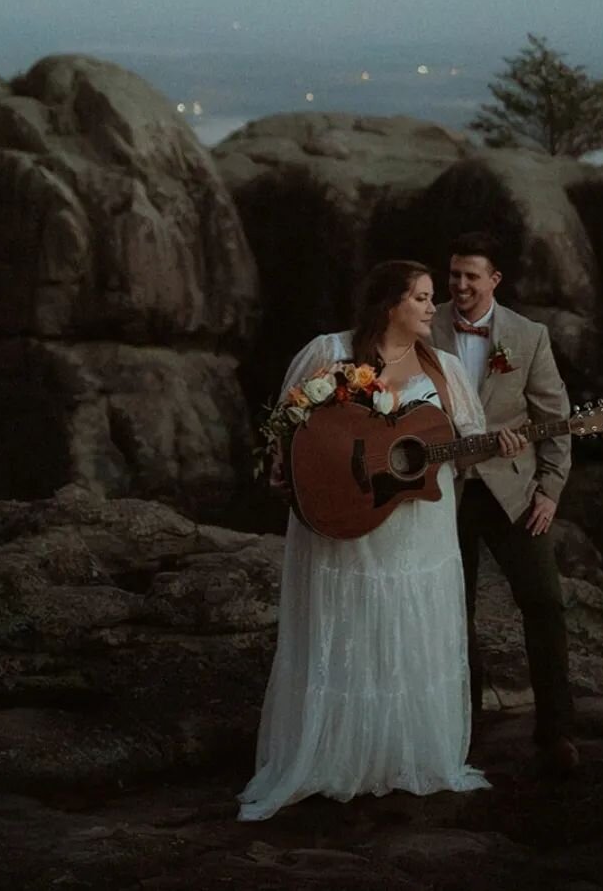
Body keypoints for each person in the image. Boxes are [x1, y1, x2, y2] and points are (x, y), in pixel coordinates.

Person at [237, 258, 521, 820]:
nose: (432, 308)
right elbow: (289, 431)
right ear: (389, 303)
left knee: (405, 628)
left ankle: (399, 755)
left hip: (418, 528)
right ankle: (335, 758)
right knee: (350, 625)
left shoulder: (441, 369)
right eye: (420, 297)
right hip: (348, 519)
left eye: (431, 297)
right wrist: (287, 467)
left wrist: (498, 445)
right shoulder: (329, 352)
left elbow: (462, 443)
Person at [430, 231, 579, 775]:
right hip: (440, 491)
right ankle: (459, 735)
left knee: (544, 603)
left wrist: (549, 489)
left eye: (472, 276)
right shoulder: (424, 322)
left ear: (495, 280)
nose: (461, 285)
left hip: (513, 492)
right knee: (452, 615)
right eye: (454, 275)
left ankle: (557, 731)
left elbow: (554, 419)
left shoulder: (528, 335)